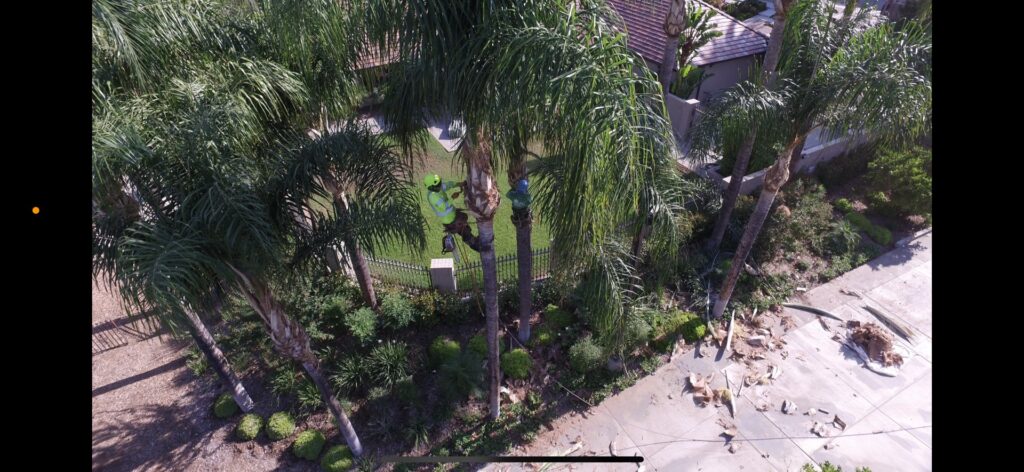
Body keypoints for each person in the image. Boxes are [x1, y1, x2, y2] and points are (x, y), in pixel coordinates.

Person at [424, 174, 482, 252]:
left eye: (440, 183)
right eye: (438, 185)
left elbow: (448, 185)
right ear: (432, 187)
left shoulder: (437, 187)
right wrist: (452, 198)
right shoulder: (432, 197)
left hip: (453, 214)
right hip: (449, 220)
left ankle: (474, 240)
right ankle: (477, 246)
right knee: (464, 231)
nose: (440, 185)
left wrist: (459, 184)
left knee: (465, 226)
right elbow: (444, 206)